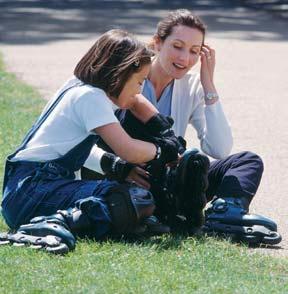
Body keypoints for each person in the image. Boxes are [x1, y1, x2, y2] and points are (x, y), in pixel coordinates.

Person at [82, 10, 282, 245]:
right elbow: (84, 146)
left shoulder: (193, 86)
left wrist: (208, 85)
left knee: (246, 161)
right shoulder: (127, 79)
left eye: (194, 51)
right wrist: (120, 167)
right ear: (157, 43)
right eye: (177, 46)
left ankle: (224, 215)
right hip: (129, 177)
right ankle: (167, 211)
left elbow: (219, 148)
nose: (185, 58)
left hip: (171, 180)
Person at [0, 29, 183, 253]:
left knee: (132, 200)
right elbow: (129, 150)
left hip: (27, 188)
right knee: (128, 199)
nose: (140, 89)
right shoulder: (91, 98)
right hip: (32, 190)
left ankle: (109, 219)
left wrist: (163, 130)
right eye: (139, 81)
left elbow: (135, 101)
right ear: (119, 74)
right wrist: (162, 149)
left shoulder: (81, 86)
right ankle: (55, 223)